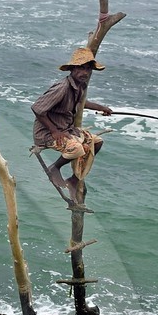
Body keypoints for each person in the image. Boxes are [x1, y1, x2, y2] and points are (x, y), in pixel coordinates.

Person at [32, 47, 114, 210]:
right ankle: (54, 168)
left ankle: (74, 179)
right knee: (76, 149)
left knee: (96, 142)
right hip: (48, 133)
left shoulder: (80, 86)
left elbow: (81, 103)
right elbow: (37, 108)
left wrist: (102, 107)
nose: (85, 72)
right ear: (73, 69)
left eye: (88, 69)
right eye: (81, 68)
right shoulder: (62, 87)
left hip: (66, 129)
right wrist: (55, 131)